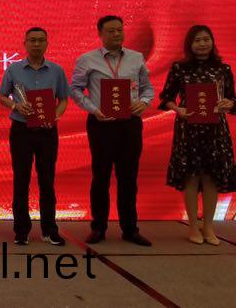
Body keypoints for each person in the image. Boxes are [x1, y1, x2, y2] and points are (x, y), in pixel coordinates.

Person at [70, 15, 154, 246]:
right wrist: (93, 109)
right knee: (101, 177)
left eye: (120, 30)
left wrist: (144, 102)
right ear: (100, 34)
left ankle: (130, 229)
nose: (117, 34)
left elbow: (148, 88)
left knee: (129, 177)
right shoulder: (87, 59)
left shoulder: (136, 58)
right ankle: (98, 228)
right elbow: (75, 89)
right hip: (101, 124)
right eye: (111, 31)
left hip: (129, 124)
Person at [158, 25, 236, 245]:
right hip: (188, 129)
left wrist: (229, 104)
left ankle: (208, 226)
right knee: (191, 177)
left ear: (212, 42)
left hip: (215, 130)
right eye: (197, 40)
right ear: (190, 45)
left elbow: (232, 99)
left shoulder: (223, 69)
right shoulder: (180, 68)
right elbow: (166, 97)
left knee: (211, 177)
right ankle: (193, 226)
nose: (202, 44)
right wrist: (178, 109)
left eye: (206, 39)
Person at [0, 27, 69, 246]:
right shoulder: (13, 69)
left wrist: (55, 116)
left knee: (47, 181)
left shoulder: (56, 70)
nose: (36, 44)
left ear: (47, 43)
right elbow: (2, 96)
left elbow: (63, 99)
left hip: (47, 131)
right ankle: (21, 230)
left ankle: (49, 229)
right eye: (32, 40)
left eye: (40, 40)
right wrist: (15, 105)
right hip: (21, 130)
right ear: (25, 43)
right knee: (21, 179)